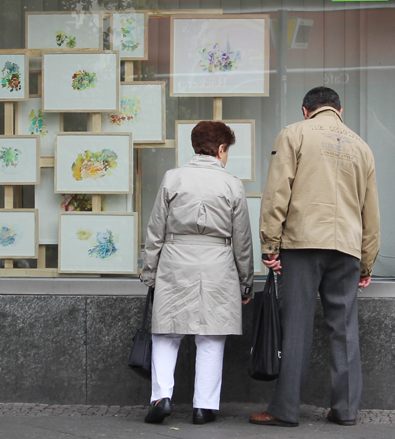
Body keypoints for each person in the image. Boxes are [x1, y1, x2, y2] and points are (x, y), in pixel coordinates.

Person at [249, 87, 380, 427]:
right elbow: (371, 212)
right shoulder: (362, 147)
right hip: (347, 249)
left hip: (304, 243)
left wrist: (270, 244)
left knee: (296, 327)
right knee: (345, 330)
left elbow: (278, 191)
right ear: (341, 110)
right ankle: (346, 410)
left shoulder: (294, 133)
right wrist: (367, 262)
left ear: (306, 110)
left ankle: (284, 410)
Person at [141, 121, 254, 425]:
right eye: (227, 150)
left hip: (175, 260)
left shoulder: (172, 178)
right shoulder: (232, 184)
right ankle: (204, 407)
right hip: (218, 263)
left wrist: (149, 273)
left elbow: (155, 231)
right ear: (220, 150)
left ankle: (161, 398)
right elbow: (242, 239)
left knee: (167, 332)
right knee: (211, 335)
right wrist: (246, 283)